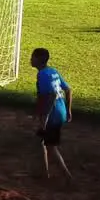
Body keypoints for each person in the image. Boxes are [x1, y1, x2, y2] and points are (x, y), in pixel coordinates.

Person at [32, 47, 73, 181]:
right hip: (60, 111)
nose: (30, 59)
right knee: (43, 142)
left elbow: (50, 96)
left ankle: (67, 176)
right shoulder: (53, 71)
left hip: (52, 114)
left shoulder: (42, 75)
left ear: (38, 60)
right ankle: (45, 173)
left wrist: (45, 118)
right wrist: (69, 110)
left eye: (33, 57)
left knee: (50, 146)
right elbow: (68, 90)